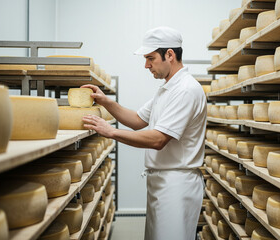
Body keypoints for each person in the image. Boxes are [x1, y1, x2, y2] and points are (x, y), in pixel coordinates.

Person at [81, 26, 207, 240]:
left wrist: (111, 132)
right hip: (163, 181)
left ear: (170, 55)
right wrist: (106, 101)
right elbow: (138, 121)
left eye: (150, 58)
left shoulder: (186, 90)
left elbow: (158, 139)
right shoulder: (167, 89)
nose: (146, 65)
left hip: (177, 184)